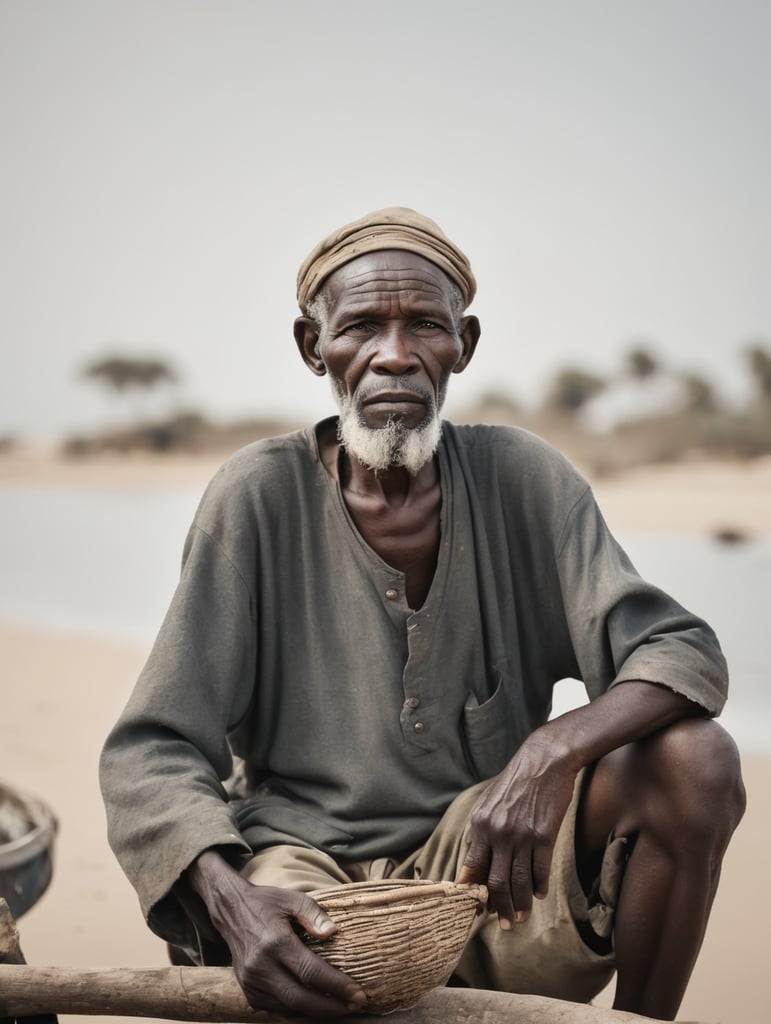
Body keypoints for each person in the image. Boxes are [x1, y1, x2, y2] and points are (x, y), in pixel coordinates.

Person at [99, 207, 745, 1021]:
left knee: (696, 763)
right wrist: (229, 901)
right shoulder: (256, 496)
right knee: (307, 954)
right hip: (301, 871)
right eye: (362, 327)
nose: (394, 356)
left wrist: (549, 752)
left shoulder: (524, 479)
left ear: (462, 347)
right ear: (314, 348)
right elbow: (150, 751)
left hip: (487, 873)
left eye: (425, 328)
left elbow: (679, 651)